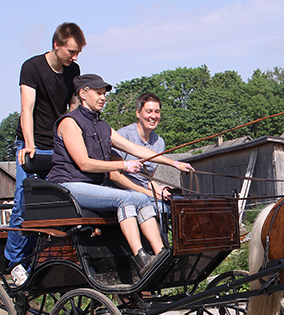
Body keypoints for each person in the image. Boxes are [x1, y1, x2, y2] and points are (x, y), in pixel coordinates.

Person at [48, 74, 195, 275]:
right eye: (98, 93)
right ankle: (141, 258)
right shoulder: (70, 122)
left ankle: (161, 255)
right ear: (83, 94)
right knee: (125, 198)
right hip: (68, 185)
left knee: (142, 198)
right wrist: (124, 165)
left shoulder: (102, 127)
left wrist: (174, 163)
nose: (103, 97)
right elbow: (84, 164)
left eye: (104, 94)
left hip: (93, 187)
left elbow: (137, 149)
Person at [5, 22, 85, 285]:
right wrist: (29, 144)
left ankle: (45, 258)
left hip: (57, 144)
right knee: (24, 203)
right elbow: (26, 109)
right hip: (33, 143)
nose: (75, 57)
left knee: (59, 203)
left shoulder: (73, 71)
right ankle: (15, 262)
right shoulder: (32, 67)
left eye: (78, 52)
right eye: (71, 51)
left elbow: (73, 110)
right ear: (57, 45)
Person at [108, 92, 176, 210]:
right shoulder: (124, 135)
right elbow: (114, 175)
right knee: (160, 207)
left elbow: (147, 178)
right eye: (149, 111)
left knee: (178, 203)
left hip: (144, 191)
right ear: (138, 113)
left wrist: (158, 189)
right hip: (122, 190)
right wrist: (147, 193)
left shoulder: (159, 142)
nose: (153, 116)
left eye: (157, 112)